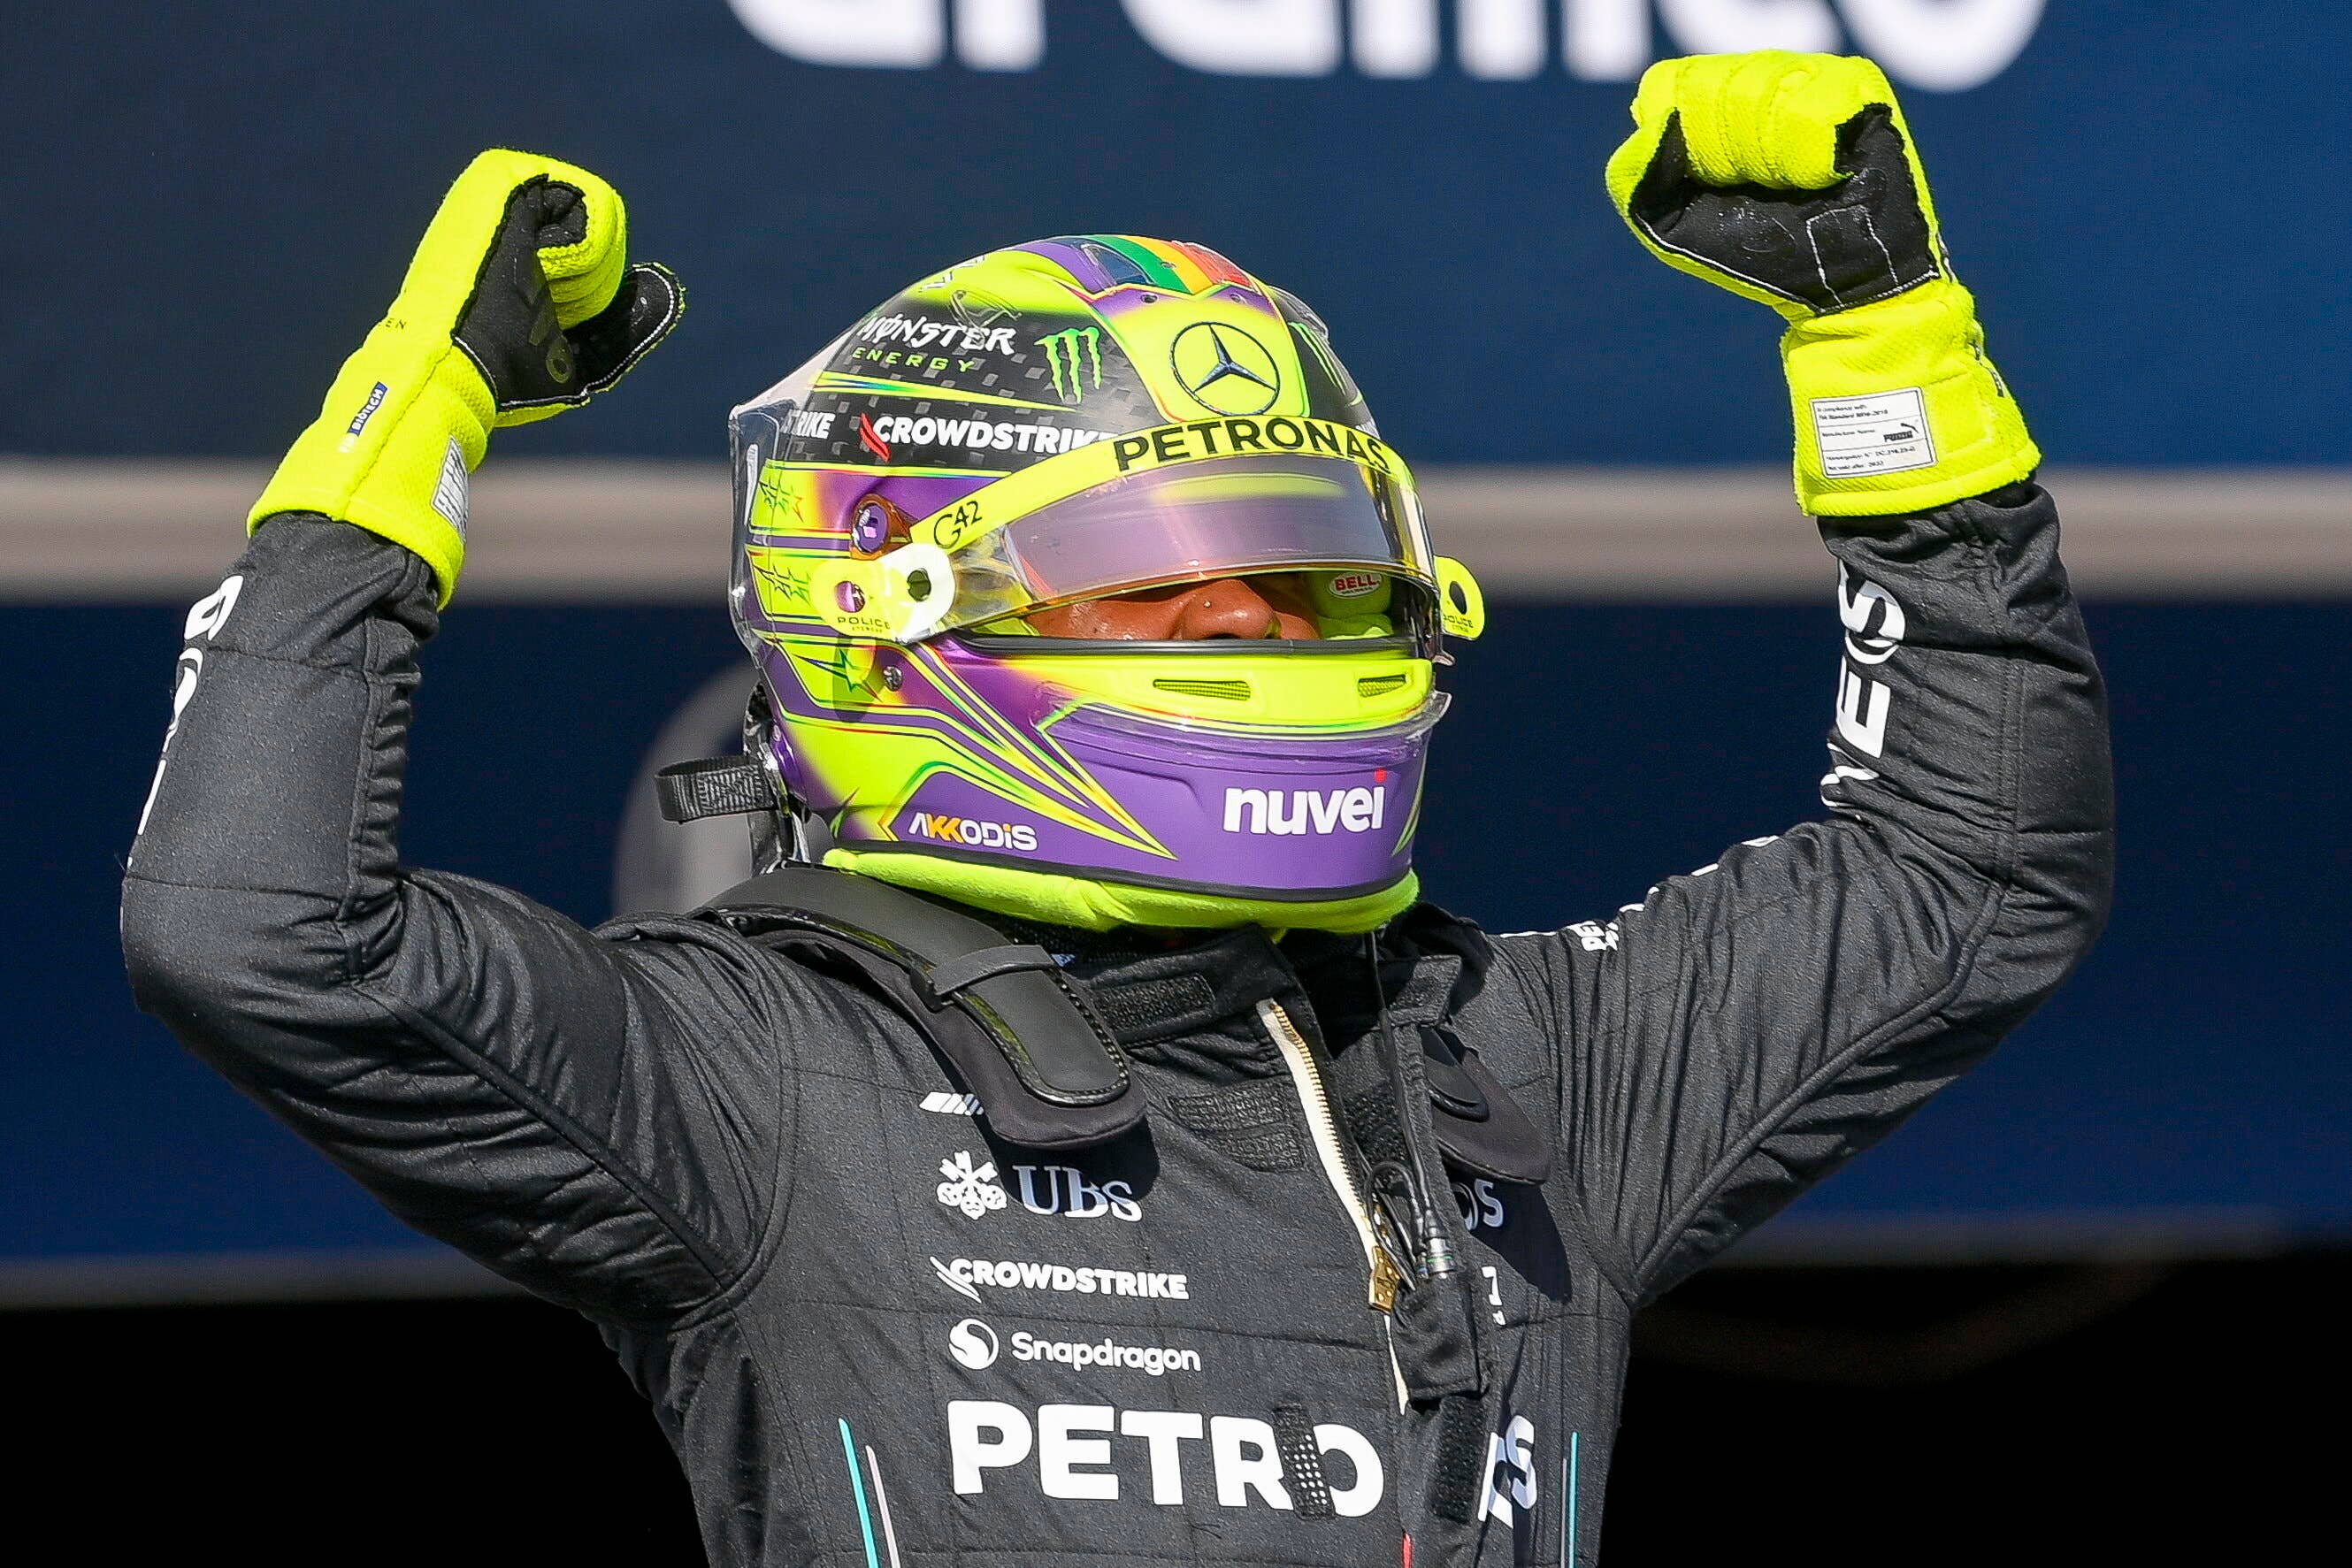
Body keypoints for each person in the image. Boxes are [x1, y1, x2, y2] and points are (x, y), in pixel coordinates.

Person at [121, 51, 2112, 1567]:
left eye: (1313, 573)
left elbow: (1973, 876)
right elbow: (260, 927)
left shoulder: (1518, 1064)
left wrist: (1883, 349)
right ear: (887, 613)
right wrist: (413, 416)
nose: (1256, 625)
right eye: (1164, 585)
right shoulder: (760, 1075)